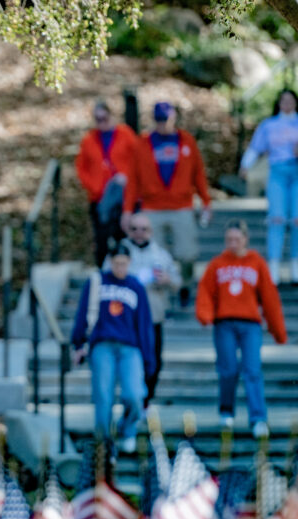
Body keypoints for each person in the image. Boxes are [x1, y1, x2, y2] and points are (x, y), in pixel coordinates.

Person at [195, 220, 287, 439]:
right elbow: (205, 291)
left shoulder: (257, 263)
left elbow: (269, 298)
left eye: (237, 239)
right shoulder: (217, 264)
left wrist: (278, 331)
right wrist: (205, 314)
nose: (233, 243)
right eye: (229, 240)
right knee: (227, 369)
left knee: (253, 370)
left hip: (250, 325)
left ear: (245, 239)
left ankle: (258, 417)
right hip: (224, 323)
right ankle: (226, 412)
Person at [122, 101, 212, 306]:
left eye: (166, 119)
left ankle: (185, 284)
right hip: (152, 207)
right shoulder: (143, 143)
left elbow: (198, 173)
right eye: (159, 120)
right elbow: (133, 179)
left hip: (181, 205)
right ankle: (161, 300)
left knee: (188, 253)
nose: (163, 124)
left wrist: (206, 201)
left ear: (174, 118)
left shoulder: (186, 141)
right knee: (155, 259)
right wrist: (127, 210)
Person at [238, 89, 298, 286]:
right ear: (278, 103)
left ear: (296, 102)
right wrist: (245, 165)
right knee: (276, 218)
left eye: (290, 100)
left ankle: (295, 266)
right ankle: (274, 267)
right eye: (283, 100)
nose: (287, 104)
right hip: (278, 173)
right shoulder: (269, 125)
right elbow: (256, 147)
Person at [70, 243, 155, 454]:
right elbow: (83, 313)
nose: (120, 267)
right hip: (102, 345)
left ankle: (127, 429)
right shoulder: (97, 282)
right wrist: (78, 343)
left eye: (124, 263)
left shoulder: (135, 286)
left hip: (129, 348)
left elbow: (144, 324)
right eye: (116, 263)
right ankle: (104, 443)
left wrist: (148, 356)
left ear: (130, 263)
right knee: (103, 396)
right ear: (110, 261)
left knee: (134, 395)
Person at [104, 213, 180, 406]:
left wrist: (167, 280)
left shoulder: (160, 254)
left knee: (153, 359)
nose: (139, 233)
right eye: (134, 229)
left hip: (153, 315)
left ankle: (145, 400)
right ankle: (128, 399)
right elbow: (104, 278)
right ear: (128, 230)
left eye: (143, 229)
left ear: (151, 231)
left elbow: (178, 282)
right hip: (124, 318)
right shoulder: (119, 252)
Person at [75, 101, 140, 267]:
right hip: (100, 198)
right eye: (98, 119)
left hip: (124, 195)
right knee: (101, 238)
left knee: (124, 235)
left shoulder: (126, 134)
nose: (102, 122)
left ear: (111, 116)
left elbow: (139, 161)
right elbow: (81, 168)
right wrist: (95, 187)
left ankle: (126, 270)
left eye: (104, 118)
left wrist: (126, 177)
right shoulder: (89, 140)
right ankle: (103, 273)